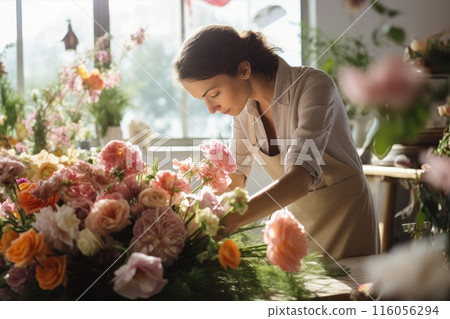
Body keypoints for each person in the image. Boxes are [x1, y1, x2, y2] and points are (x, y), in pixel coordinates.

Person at [173, 24, 379, 259]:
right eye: (203, 100)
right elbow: (235, 179)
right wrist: (189, 214)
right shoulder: (242, 110)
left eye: (214, 94)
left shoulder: (314, 87)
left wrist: (228, 221)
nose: (211, 109)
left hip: (346, 219)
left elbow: (302, 177)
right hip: (296, 223)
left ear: (244, 70)